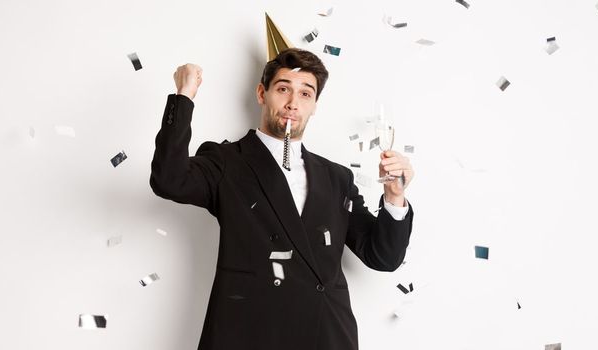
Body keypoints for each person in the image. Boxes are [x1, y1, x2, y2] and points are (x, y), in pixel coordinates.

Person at [150, 48, 415, 350]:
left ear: (314, 105)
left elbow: (383, 257)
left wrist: (394, 196)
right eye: (283, 89)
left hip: (326, 335)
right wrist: (184, 97)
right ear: (262, 93)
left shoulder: (337, 178)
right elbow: (168, 180)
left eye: (305, 94)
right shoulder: (227, 161)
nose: (292, 104)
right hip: (250, 333)